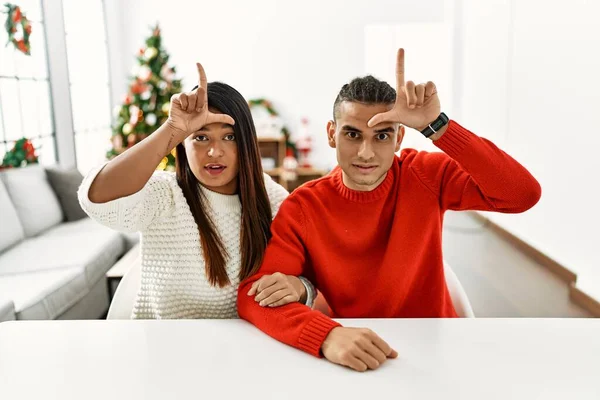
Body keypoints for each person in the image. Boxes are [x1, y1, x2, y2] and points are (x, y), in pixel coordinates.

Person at [238, 48, 541, 371]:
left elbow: (522, 194)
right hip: (359, 349)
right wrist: (325, 336)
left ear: (398, 138)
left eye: (381, 136)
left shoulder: (424, 174)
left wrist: (440, 128)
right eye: (352, 134)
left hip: (439, 345)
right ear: (331, 134)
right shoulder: (304, 206)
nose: (366, 153)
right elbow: (253, 296)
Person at [78, 63, 314, 319]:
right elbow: (96, 199)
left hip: (244, 351)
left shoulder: (270, 197)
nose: (215, 151)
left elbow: (311, 275)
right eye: (200, 138)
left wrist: (301, 288)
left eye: (229, 137)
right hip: (163, 348)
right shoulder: (165, 194)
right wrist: (171, 130)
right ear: (183, 145)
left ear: (246, 142)